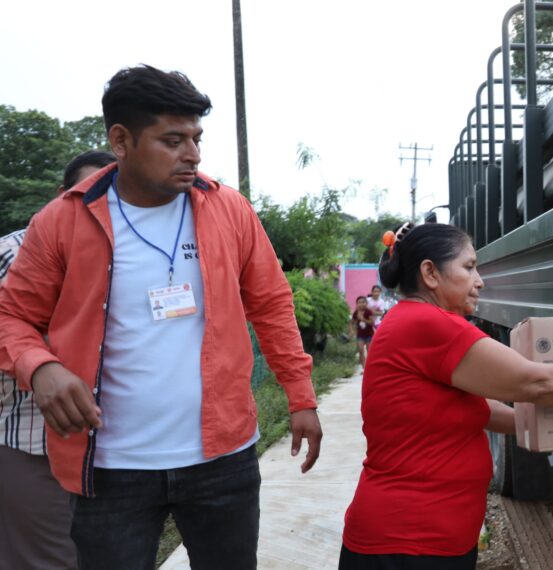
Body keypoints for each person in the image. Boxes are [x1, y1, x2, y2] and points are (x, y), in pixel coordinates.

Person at [0, 65, 322, 570]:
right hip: (109, 469)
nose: (192, 154)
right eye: (172, 140)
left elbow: (272, 303)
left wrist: (301, 396)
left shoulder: (228, 210)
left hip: (224, 458)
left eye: (196, 138)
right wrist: (41, 366)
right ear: (121, 140)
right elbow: (11, 316)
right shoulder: (63, 220)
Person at [340, 222, 553, 570]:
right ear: (430, 273)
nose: (480, 281)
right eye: (469, 266)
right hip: (407, 543)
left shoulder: (413, 322)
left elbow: (484, 411)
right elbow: (536, 384)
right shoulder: (428, 324)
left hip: (421, 540)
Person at [0, 149, 115, 570]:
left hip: (112, 447)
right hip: (32, 441)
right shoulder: (12, 252)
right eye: (84, 193)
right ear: (61, 195)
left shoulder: (127, 252)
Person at [350, 295, 374, 367]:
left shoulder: (368, 312)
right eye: (359, 302)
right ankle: (364, 367)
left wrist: (363, 319)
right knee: (361, 351)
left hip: (369, 335)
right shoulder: (355, 313)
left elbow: (372, 322)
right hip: (360, 335)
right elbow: (352, 322)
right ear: (357, 304)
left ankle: (370, 366)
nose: (361, 304)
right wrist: (352, 330)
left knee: (369, 351)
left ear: (366, 303)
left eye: (363, 302)